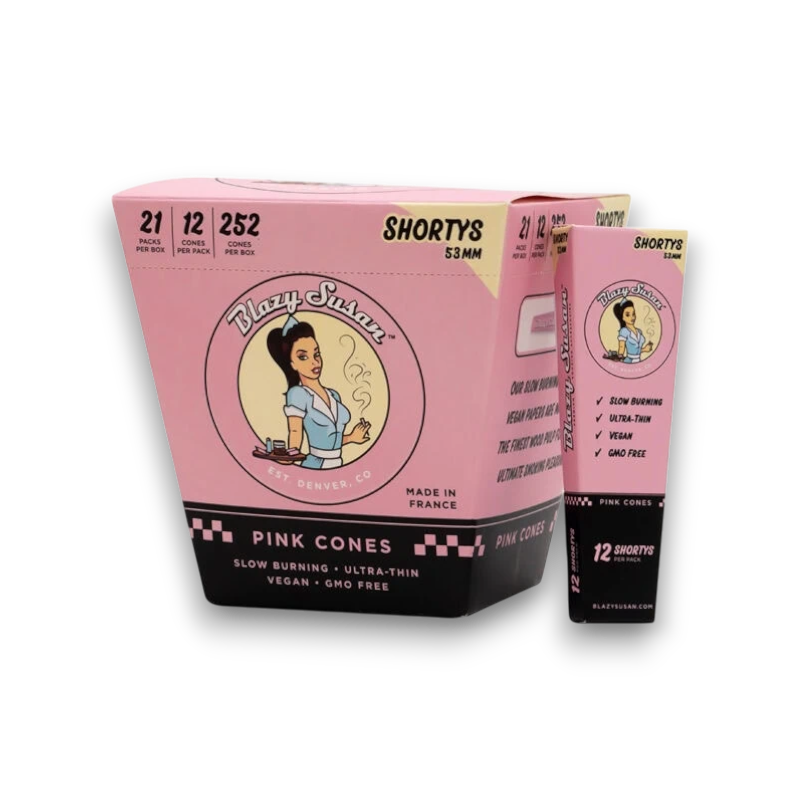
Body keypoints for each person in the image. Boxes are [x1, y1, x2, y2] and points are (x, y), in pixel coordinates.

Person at [267, 316, 371, 469]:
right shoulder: (297, 395)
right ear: (292, 364)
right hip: (316, 465)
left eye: (316, 354)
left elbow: (330, 440)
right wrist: (287, 457)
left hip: (338, 464)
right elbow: (295, 432)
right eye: (303, 357)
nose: (314, 361)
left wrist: (352, 437)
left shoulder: (334, 395)